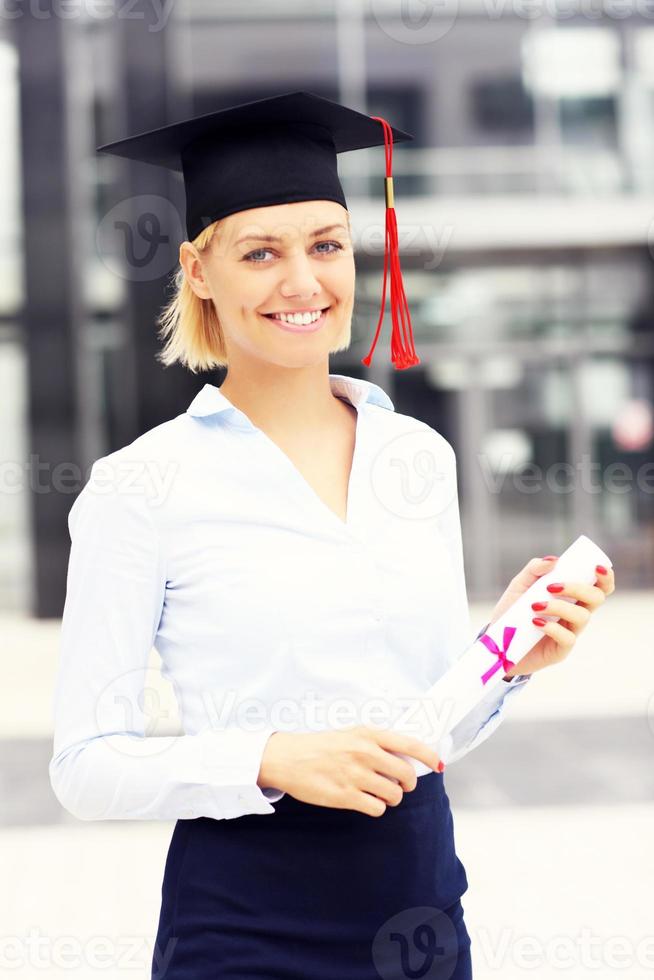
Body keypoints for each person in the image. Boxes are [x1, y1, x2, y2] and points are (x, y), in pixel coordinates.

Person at [48, 91, 615, 980]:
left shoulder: (416, 457)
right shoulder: (143, 487)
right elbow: (84, 768)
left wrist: (506, 657)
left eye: (326, 245)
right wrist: (272, 759)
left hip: (422, 911)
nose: (303, 282)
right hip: (246, 924)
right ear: (198, 270)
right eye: (260, 253)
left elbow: (427, 735)